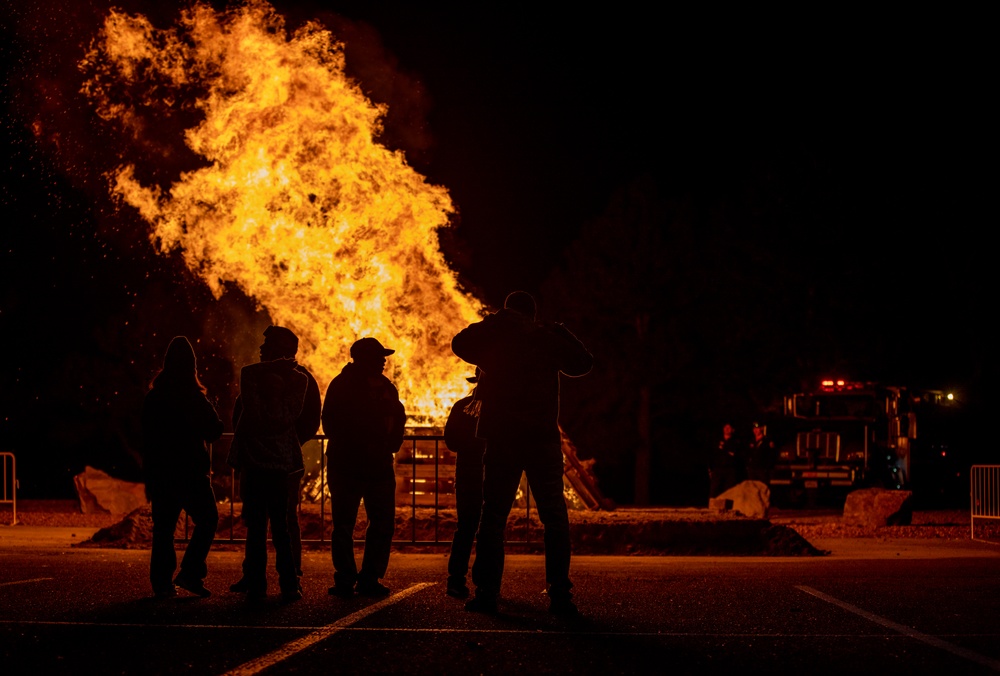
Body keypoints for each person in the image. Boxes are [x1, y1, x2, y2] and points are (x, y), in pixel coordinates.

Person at [451, 291, 593, 615]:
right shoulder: (544, 338)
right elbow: (584, 363)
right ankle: (559, 594)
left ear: (507, 313)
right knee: (554, 518)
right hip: (540, 438)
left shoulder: (494, 339)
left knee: (493, 517)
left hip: (502, 438)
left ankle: (487, 592)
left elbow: (460, 343)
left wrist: (494, 321)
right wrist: (560, 330)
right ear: (532, 314)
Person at [230, 326, 320, 589]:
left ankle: (286, 574)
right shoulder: (267, 376)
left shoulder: (294, 379)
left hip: (277, 463)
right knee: (265, 522)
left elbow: (309, 420)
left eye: (266, 344)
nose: (260, 349)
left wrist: (287, 443)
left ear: (280, 350)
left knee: (279, 521)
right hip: (267, 461)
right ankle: (264, 576)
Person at [322, 337, 406, 598]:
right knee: (345, 524)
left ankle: (369, 577)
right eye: (378, 356)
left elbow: (398, 416)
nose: (383, 361)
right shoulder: (343, 386)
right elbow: (331, 423)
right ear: (362, 358)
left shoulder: (385, 387)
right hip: (348, 465)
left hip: (377, 465)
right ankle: (347, 578)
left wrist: (390, 443)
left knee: (381, 523)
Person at [141, 336, 224, 599]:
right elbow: (214, 430)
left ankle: (162, 584)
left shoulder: (155, 397)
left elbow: (145, 436)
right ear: (192, 366)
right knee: (208, 520)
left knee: (163, 529)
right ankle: (190, 572)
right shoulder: (192, 397)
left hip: (162, 473)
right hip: (190, 472)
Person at [444, 368, 487, 599]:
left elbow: (451, 441)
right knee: (490, 529)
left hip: (467, 474)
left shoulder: (462, 406)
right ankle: (486, 584)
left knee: (466, 528)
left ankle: (456, 580)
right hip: (493, 474)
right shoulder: (501, 408)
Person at [709, 422, 743, 497]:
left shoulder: (736, 442)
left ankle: (727, 507)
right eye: (725, 427)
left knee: (728, 490)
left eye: (729, 428)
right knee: (714, 489)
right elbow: (712, 454)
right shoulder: (717, 440)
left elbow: (737, 456)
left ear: (732, 430)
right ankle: (712, 506)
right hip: (718, 468)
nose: (727, 429)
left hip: (730, 469)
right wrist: (710, 468)